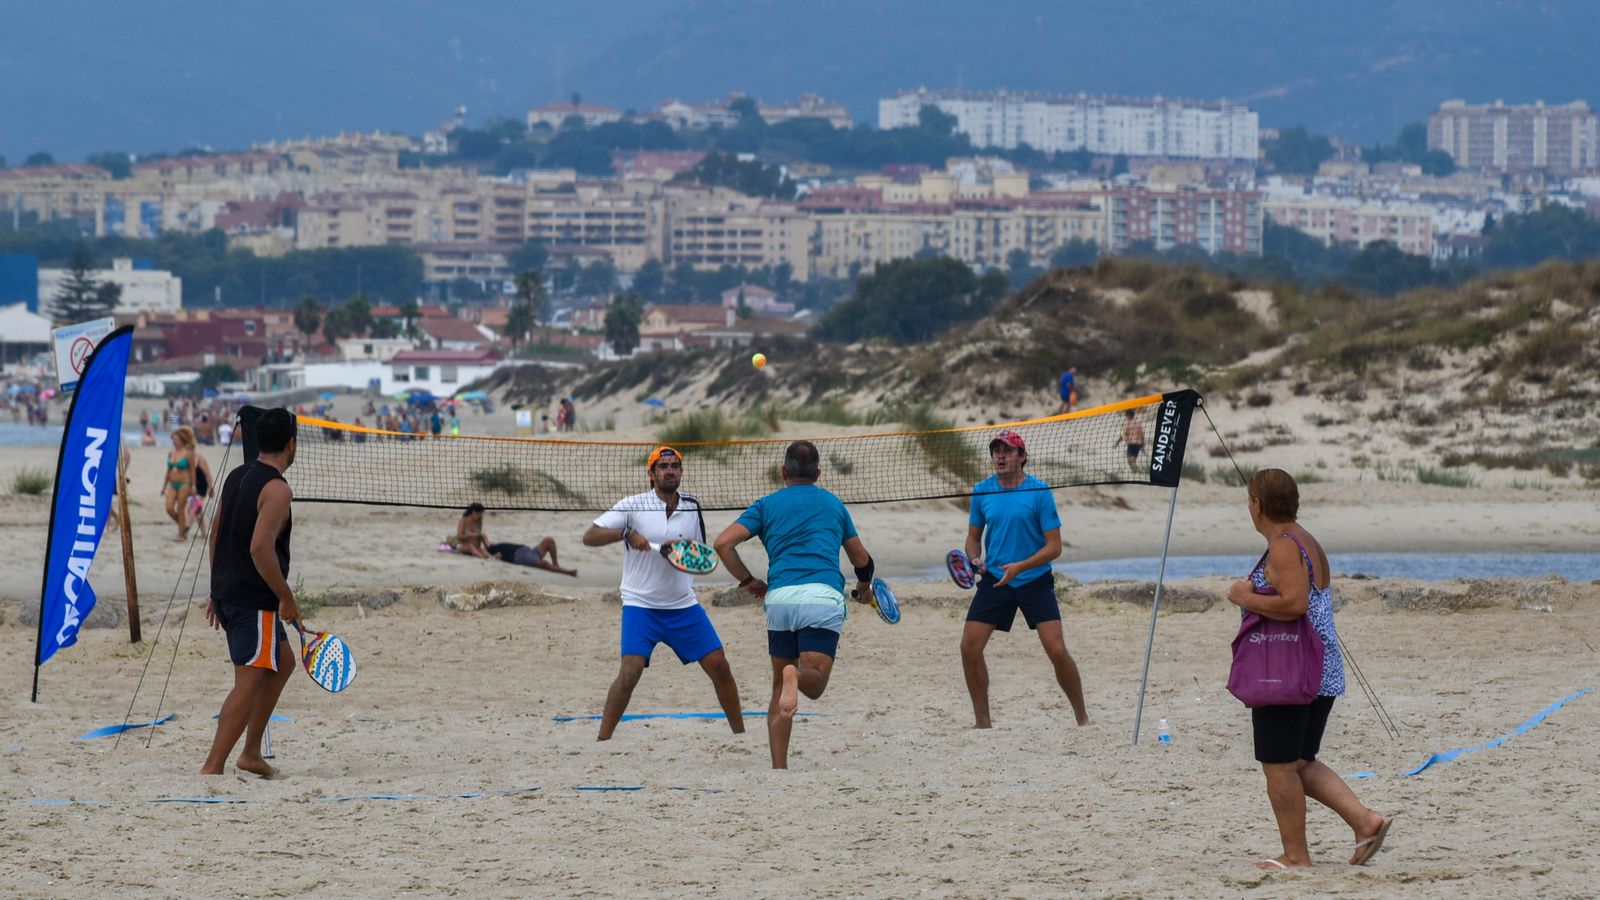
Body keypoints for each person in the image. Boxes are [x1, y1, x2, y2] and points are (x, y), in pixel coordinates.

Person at [1226, 469, 1394, 870]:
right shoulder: (1305, 539)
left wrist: (1244, 598)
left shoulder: (1285, 545)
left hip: (1291, 670)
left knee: (1280, 765)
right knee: (1300, 760)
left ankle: (1296, 856)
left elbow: (1294, 604)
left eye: (1249, 500)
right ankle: (1365, 821)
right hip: (1321, 668)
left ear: (1257, 505)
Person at [714, 441, 876, 770]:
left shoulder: (766, 504)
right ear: (817, 473)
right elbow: (862, 560)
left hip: (781, 600)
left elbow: (722, 543)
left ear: (784, 472)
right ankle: (795, 676)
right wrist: (864, 587)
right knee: (812, 681)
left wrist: (747, 581)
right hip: (821, 598)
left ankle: (779, 769)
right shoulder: (832, 504)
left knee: (778, 687)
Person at [582, 447, 743, 741]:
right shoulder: (633, 505)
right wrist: (624, 533)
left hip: (683, 605)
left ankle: (740, 734)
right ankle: (602, 740)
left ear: (680, 472)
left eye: (674, 466)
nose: (669, 471)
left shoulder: (692, 506)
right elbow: (589, 536)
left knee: (720, 667)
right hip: (640, 605)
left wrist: (679, 554)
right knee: (630, 673)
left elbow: (701, 557)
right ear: (651, 474)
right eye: (662, 466)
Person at [960, 429, 1088, 728]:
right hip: (995, 579)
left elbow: (1054, 547)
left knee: (1056, 649)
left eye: (1007, 450)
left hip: (1033, 579)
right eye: (996, 450)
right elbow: (972, 538)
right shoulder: (982, 490)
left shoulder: (1039, 491)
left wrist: (1020, 566)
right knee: (969, 647)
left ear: (1022, 456)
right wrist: (974, 557)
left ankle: (1082, 717)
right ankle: (982, 722)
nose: (1000, 456)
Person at [200, 408, 300, 778]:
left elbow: (216, 534)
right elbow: (261, 549)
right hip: (253, 599)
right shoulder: (278, 489)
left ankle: (252, 753)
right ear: (291, 443)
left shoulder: (236, 475)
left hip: (230, 593)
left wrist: (216, 589)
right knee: (249, 682)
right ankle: (213, 767)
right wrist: (287, 597)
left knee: (284, 662)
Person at [455, 502, 577, 576]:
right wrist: (475, 537)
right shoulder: (465, 522)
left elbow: (483, 541)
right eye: (480, 513)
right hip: (518, 556)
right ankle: (564, 571)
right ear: (473, 512)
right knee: (543, 563)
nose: (481, 516)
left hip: (526, 550)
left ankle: (556, 565)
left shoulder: (480, 527)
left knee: (549, 540)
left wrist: (481, 538)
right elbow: (460, 537)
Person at [162, 426, 212, 542]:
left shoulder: (189, 453)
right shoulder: (171, 452)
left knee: (181, 508)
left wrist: (193, 485)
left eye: (175, 439)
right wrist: (164, 486)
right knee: (169, 508)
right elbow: (168, 471)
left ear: (181, 440)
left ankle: (180, 535)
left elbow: (192, 471)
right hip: (172, 484)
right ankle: (183, 525)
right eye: (173, 439)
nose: (173, 442)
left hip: (185, 483)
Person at [1122, 410, 1146, 474]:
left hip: (1131, 444)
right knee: (1133, 461)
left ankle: (1139, 472)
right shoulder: (1138, 424)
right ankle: (1135, 472)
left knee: (1130, 461)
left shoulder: (1128, 423)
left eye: (1126, 416)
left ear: (1127, 416)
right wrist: (1143, 447)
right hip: (1138, 444)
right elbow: (1142, 435)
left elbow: (1123, 434)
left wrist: (1117, 442)